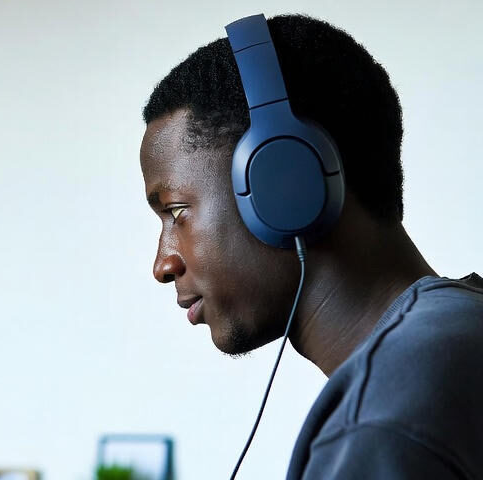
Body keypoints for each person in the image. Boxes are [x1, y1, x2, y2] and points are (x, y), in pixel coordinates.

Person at [139, 13, 483, 479]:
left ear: (285, 184)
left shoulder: (384, 421)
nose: (162, 264)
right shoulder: (460, 333)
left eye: (177, 212)